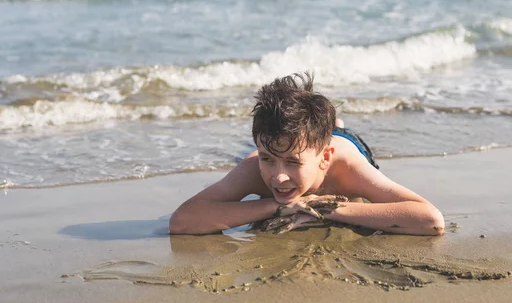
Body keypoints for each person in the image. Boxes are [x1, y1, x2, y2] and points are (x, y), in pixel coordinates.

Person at [169, 72, 444, 236]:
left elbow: (430, 220)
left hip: (347, 144)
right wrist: (280, 207)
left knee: (337, 132)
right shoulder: (254, 165)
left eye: (292, 163)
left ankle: (335, 128)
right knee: (282, 146)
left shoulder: (346, 168)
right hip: (303, 145)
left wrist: (324, 208)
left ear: (324, 158)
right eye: (267, 159)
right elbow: (182, 221)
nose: (278, 177)